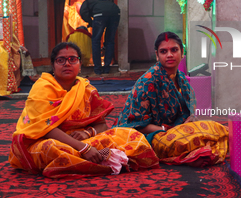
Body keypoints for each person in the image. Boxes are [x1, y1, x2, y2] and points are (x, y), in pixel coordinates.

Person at [8, 42, 159, 178]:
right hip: (46, 140)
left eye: (72, 59)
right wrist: (84, 148)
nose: (67, 64)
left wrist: (87, 133)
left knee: (131, 135)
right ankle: (103, 160)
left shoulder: (85, 88)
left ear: (80, 64)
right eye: (61, 60)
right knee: (52, 149)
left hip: (82, 140)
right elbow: (45, 127)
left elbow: (102, 125)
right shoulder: (42, 88)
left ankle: (95, 161)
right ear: (53, 66)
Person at [115, 32, 229, 167]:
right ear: (157, 55)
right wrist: (165, 129)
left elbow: (187, 110)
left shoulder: (180, 78)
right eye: (164, 51)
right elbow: (137, 125)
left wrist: (189, 121)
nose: (169, 55)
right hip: (148, 136)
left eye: (174, 50)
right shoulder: (148, 82)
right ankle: (199, 153)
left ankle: (199, 152)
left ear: (182, 52)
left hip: (176, 130)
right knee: (185, 141)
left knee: (219, 129)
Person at [79, 0, 120, 75]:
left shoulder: (86, 3)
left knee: (96, 41)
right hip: (115, 13)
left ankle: (97, 69)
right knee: (110, 41)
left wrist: (90, 22)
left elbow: (83, 13)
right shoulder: (100, 2)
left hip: (100, 14)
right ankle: (107, 68)